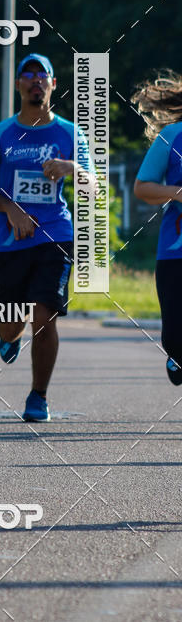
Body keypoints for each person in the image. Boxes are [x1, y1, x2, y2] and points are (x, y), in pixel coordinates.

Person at [0, 53, 93, 422]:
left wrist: (74, 167)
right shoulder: (0, 133)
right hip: (9, 241)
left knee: (45, 317)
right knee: (10, 322)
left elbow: (94, 185)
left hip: (55, 234)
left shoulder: (71, 133)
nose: (36, 80)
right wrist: (9, 208)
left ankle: (38, 396)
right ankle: (9, 339)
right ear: (19, 84)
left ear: (54, 85)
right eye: (29, 74)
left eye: (44, 75)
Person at [132, 71, 182, 386]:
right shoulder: (172, 136)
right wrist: (177, 193)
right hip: (175, 253)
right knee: (176, 338)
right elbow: (142, 187)